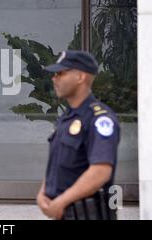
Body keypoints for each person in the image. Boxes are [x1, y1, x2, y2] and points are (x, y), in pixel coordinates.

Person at [37, 50, 120, 220]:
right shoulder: (67, 118)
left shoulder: (100, 119)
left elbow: (100, 171)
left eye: (61, 73)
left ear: (80, 77)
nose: (54, 78)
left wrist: (61, 202)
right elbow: (58, 162)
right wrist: (43, 192)